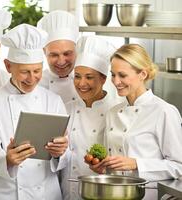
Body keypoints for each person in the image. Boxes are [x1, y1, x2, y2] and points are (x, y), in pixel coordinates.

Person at [0, 24, 69, 200]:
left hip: (47, 193)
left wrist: (61, 152)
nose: (32, 79)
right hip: (6, 193)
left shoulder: (53, 100)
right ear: (8, 66)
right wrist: (8, 160)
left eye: (37, 71)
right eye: (25, 72)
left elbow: (66, 151)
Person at [91, 44, 182, 199]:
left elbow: (178, 166)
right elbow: (112, 162)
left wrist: (137, 164)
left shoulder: (163, 111)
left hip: (148, 195)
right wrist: (103, 167)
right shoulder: (112, 113)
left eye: (122, 75)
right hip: (113, 194)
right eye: (113, 75)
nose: (116, 81)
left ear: (143, 74)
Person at [61, 36, 119, 200]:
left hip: (100, 192)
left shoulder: (115, 111)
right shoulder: (66, 108)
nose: (81, 83)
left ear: (103, 79)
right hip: (66, 191)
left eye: (89, 77)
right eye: (77, 76)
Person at [37, 10, 79, 103]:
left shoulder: (89, 83)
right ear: (44, 51)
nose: (61, 61)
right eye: (54, 55)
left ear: (77, 50)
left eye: (67, 53)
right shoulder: (35, 83)